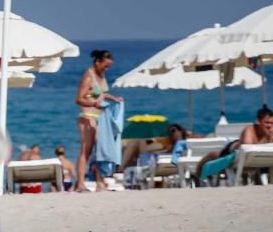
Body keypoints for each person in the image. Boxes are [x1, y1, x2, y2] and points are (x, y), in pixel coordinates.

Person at [75, 50, 123, 191]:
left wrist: (114, 99)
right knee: (86, 150)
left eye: (109, 66)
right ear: (97, 62)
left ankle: (100, 183)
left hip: (100, 118)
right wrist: (93, 104)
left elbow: (101, 94)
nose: (107, 69)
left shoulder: (100, 75)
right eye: (105, 65)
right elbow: (79, 99)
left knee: (101, 150)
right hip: (87, 116)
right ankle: (80, 184)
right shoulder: (88, 77)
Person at [194, 106, 273, 182]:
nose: (269, 126)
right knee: (213, 155)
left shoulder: (270, 134)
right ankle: (197, 174)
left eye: (272, 123)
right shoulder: (250, 130)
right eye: (266, 123)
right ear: (258, 121)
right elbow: (246, 149)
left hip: (250, 158)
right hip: (231, 152)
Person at [120, 124, 190, 171]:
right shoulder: (168, 140)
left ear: (181, 130)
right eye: (169, 132)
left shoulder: (185, 142)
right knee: (137, 143)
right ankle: (123, 168)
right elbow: (149, 141)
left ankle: (122, 168)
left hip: (164, 162)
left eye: (173, 131)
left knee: (136, 144)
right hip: (157, 157)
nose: (171, 133)